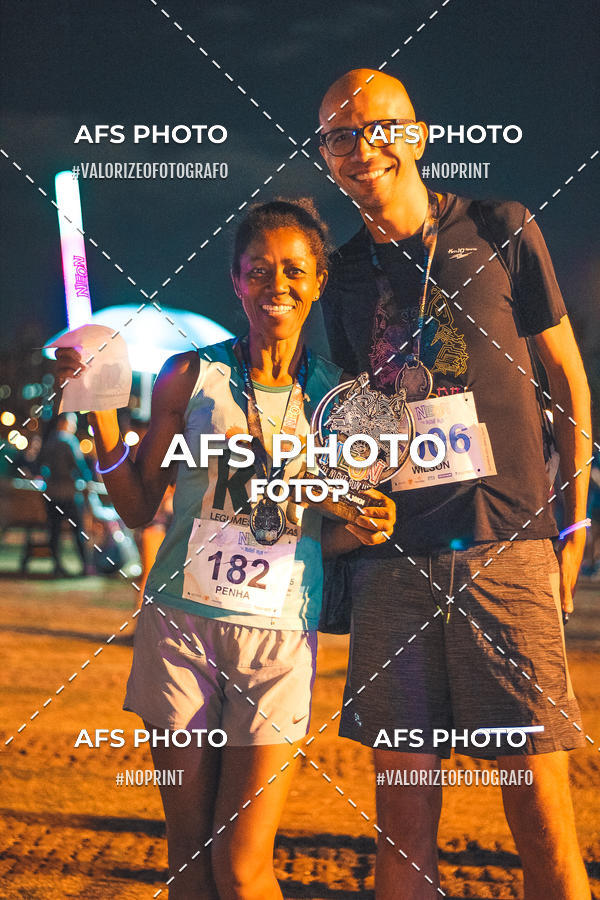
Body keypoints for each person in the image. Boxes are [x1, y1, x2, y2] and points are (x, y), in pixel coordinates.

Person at [56, 198, 395, 900]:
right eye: (259, 269)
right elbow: (137, 505)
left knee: (241, 867)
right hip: (181, 630)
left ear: (319, 278)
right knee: (188, 861)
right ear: (236, 279)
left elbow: (326, 536)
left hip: (277, 643)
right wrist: (99, 416)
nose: (279, 282)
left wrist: (359, 525)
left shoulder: (337, 398)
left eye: (295, 269)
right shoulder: (190, 376)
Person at [317, 69, 592, 899]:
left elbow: (569, 386)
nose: (362, 148)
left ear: (419, 133)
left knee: (539, 812)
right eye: (338, 135)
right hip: (391, 565)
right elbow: (354, 416)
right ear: (327, 158)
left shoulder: (500, 226)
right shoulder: (339, 274)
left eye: (379, 127)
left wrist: (574, 528)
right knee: (401, 822)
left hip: (505, 547)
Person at [37, 412, 91, 576]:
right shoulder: (69, 441)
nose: (74, 427)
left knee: (54, 531)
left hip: (51, 493)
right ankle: (85, 566)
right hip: (69, 493)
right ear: (65, 423)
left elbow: (41, 464)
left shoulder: (49, 441)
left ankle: (57, 565)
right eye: (72, 423)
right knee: (78, 530)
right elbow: (79, 466)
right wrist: (86, 479)